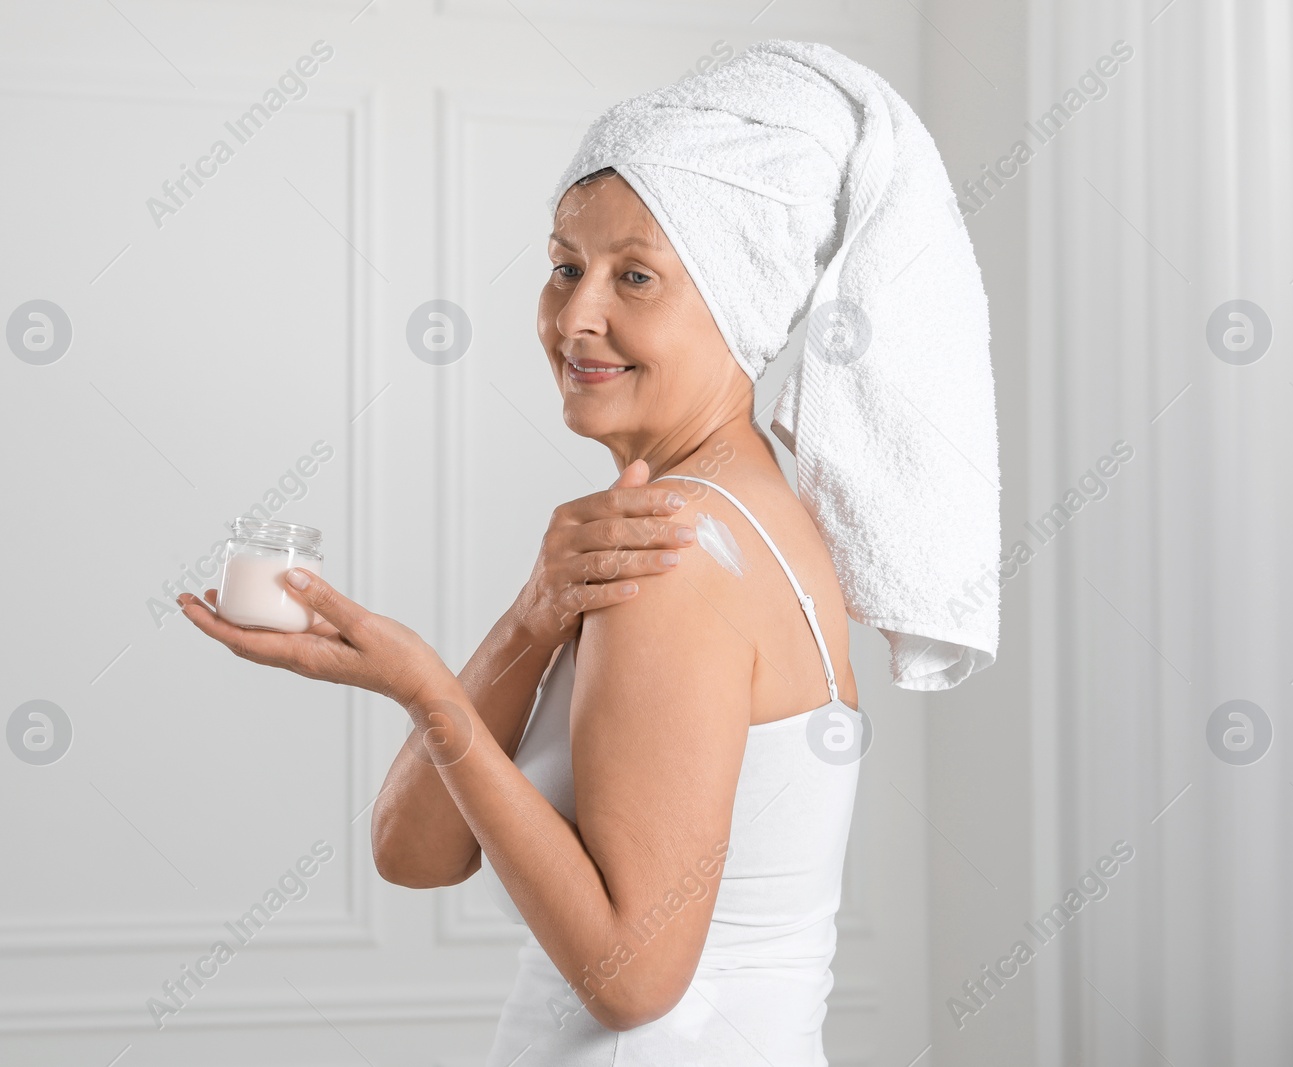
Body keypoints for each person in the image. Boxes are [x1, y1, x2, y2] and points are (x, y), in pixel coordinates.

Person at [180, 38, 998, 1065]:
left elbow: (632, 978)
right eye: (565, 264)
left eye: (636, 276)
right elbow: (415, 853)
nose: (575, 315)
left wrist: (428, 692)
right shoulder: (719, 522)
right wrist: (530, 617)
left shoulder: (683, 556)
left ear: (739, 301)